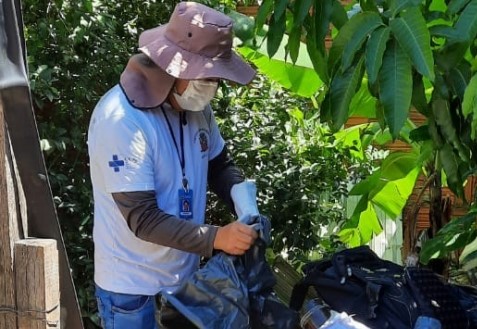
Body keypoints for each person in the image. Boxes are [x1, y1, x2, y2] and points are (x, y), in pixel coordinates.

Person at [87, 2, 262, 328]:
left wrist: (241, 197)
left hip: (183, 280)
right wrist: (216, 238)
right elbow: (143, 218)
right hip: (130, 287)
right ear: (173, 67)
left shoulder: (197, 110)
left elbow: (219, 164)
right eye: (205, 76)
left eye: (215, 79)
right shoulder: (122, 119)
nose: (210, 86)